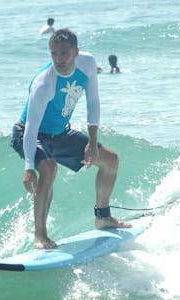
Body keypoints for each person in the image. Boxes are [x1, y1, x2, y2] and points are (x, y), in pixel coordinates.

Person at [10, 29, 131, 249]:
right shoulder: (44, 84)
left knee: (110, 161)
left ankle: (103, 217)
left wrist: (92, 142)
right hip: (28, 132)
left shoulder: (87, 64)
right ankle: (40, 235)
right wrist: (29, 167)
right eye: (54, 53)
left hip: (60, 133)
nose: (59, 59)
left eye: (64, 53)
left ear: (76, 52)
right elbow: (30, 129)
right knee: (48, 167)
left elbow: (93, 102)